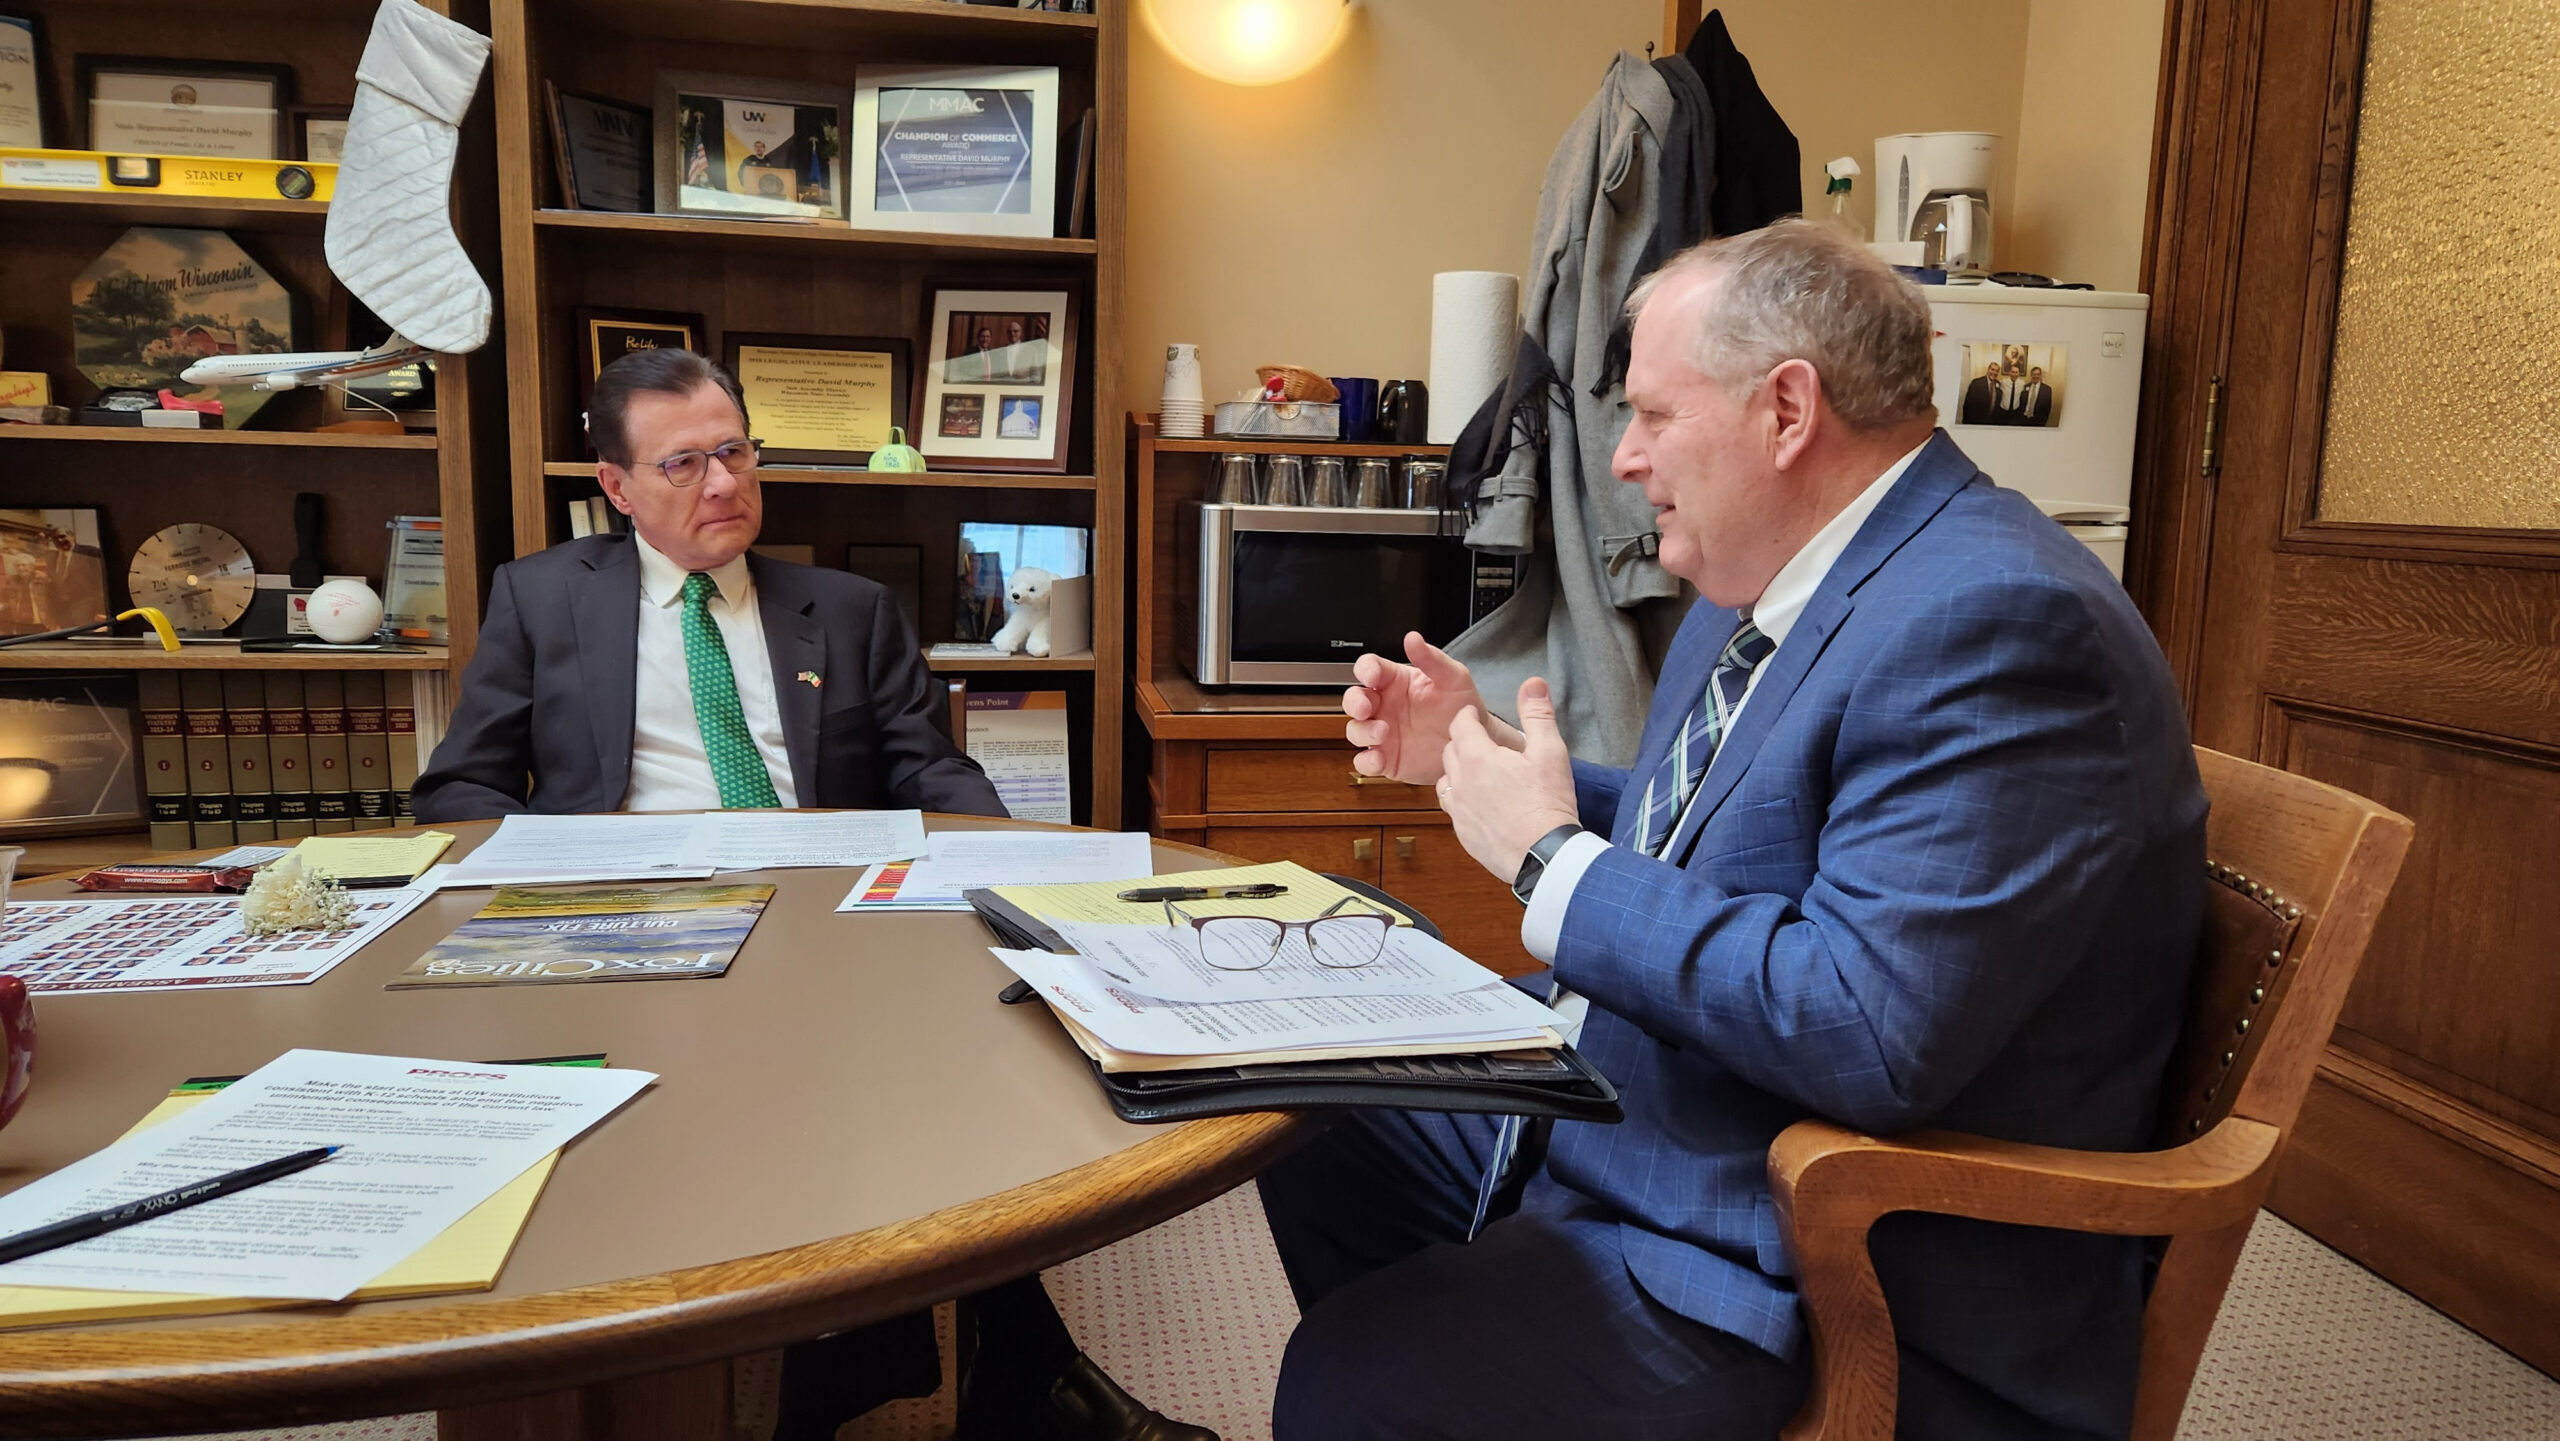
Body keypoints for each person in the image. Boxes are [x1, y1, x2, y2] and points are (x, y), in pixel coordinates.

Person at [1262, 219, 2206, 1440]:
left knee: (1352, 1385)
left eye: (1653, 414)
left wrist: (1550, 857)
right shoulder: (1767, 578)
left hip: (1806, 1260)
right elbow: (1726, 823)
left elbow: (1863, 1028)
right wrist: (1489, 764)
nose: (1623, 459)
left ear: (1787, 410)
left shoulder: (2005, 623)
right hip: (1667, 1121)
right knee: (1295, 1092)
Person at [414, 349, 1215, 1441]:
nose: (724, 484)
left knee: (966, 1054)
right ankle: (984, 1372)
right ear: (616, 487)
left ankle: (937, 1357)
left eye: (736, 452)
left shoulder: (844, 607)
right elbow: (459, 786)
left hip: (826, 920)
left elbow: (926, 769)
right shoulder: (543, 597)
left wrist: (1014, 864)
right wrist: (560, 875)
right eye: (684, 462)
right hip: (627, 920)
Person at [1959, 358, 2002, 424]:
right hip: (1976, 421)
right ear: (1988, 370)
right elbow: (1968, 405)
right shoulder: (1976, 383)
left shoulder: (1998, 384)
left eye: (1996, 371)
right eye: (1992, 369)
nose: (1994, 372)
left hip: (1991, 422)